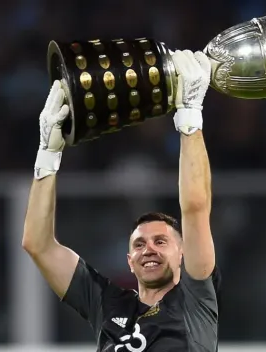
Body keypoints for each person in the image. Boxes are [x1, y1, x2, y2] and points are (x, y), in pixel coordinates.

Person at [22, 49, 221, 352]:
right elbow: (37, 245)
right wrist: (47, 156)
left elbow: (195, 208)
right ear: (129, 261)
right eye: (139, 245)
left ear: (183, 253)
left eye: (160, 241)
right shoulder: (109, 304)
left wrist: (190, 115)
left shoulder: (196, 301)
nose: (148, 249)